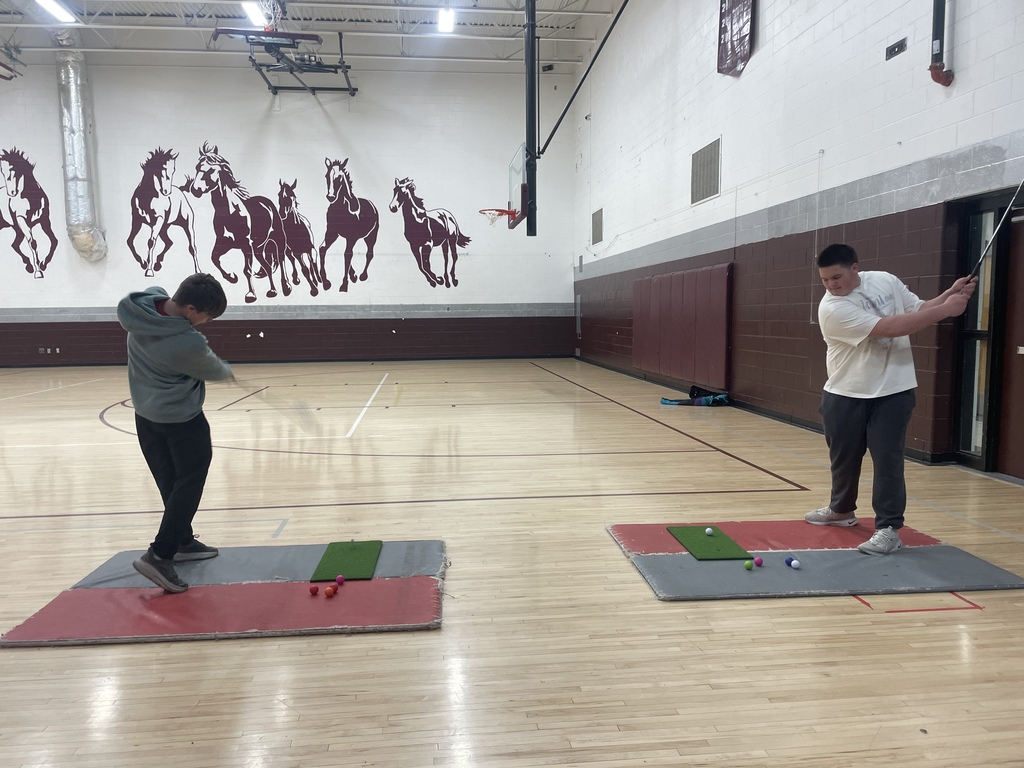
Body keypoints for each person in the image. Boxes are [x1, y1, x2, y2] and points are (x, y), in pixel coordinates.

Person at [805, 243, 977, 555]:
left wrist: (945, 296)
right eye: (825, 280)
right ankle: (841, 510)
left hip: (893, 393)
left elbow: (916, 311)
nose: (831, 285)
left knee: (888, 461)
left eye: (837, 277)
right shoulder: (832, 308)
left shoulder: (885, 279)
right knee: (843, 459)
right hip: (844, 392)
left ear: (855, 268)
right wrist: (948, 309)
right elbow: (888, 327)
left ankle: (888, 529)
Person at [117, 273, 234, 592]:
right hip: (181, 420)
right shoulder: (187, 341)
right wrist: (228, 370)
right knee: (190, 481)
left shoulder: (142, 307)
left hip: (145, 417)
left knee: (169, 479)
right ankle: (160, 554)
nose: (206, 323)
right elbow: (216, 370)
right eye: (207, 316)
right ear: (192, 308)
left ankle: (182, 540)